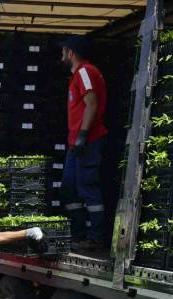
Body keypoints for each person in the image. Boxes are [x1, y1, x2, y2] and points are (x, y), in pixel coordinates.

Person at [61, 35, 109, 256]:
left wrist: (83, 135)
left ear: (71, 53)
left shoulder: (85, 72)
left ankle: (96, 239)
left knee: (87, 188)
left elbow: (92, 102)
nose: (62, 54)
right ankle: (78, 235)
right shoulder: (77, 76)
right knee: (70, 189)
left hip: (88, 141)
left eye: (64, 51)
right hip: (76, 144)